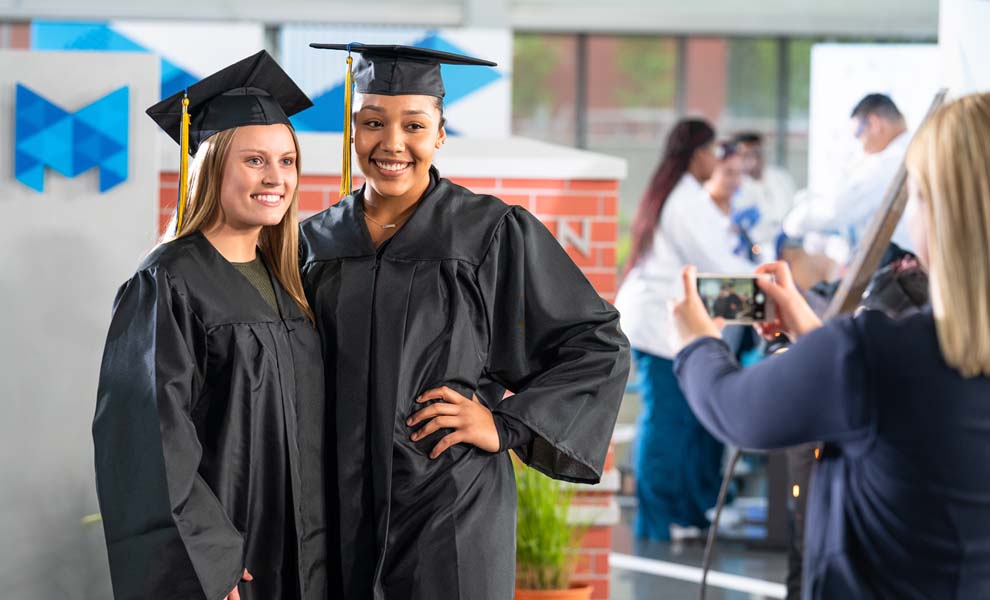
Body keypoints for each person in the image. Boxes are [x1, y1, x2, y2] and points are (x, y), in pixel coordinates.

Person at [298, 43, 629, 599]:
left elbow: (596, 343)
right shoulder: (313, 242)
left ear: (440, 134)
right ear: (353, 132)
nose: (393, 143)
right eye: (373, 122)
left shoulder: (489, 231)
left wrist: (504, 425)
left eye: (414, 125)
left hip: (448, 501)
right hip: (336, 504)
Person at [670, 92, 990, 599]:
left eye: (919, 199)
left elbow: (735, 410)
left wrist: (695, 342)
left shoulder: (877, 355)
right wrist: (812, 333)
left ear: (943, 214)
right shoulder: (873, 359)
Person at [92, 51, 327, 600]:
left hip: (304, 555)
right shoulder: (168, 282)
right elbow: (149, 441)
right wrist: (208, 563)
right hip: (229, 565)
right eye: (255, 161)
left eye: (287, 160)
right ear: (211, 164)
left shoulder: (292, 278)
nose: (276, 178)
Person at [615, 120, 756, 542]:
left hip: (669, 324)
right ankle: (654, 524)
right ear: (697, 153)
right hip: (659, 326)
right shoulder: (684, 199)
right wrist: (772, 286)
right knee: (667, 423)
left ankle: (687, 513)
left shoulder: (684, 194)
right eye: (714, 151)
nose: (718, 160)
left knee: (685, 423)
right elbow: (719, 264)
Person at [784, 93, 913, 252]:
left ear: (874, 124)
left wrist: (792, 223)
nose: (861, 146)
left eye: (858, 135)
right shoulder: (911, 150)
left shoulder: (890, 161)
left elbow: (835, 209)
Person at [732, 131, 797, 256]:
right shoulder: (735, 185)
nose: (753, 160)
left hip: (788, 245)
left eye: (757, 153)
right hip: (756, 252)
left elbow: (793, 208)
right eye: (746, 155)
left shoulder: (780, 177)